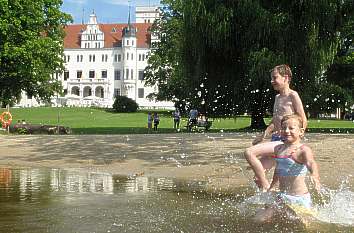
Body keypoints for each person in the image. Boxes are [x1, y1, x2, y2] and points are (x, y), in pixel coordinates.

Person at [246, 114, 321, 223]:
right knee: (259, 219)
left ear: (301, 131)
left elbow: (311, 162)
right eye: (284, 128)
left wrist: (315, 175)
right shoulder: (278, 149)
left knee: (303, 224)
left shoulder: (303, 150)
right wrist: (272, 185)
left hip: (299, 199)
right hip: (282, 196)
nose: (286, 131)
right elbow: (279, 169)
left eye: (291, 128)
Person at [248, 64, 308, 190]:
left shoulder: (293, 95)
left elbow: (303, 119)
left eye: (275, 78)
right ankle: (270, 197)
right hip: (275, 139)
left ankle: (268, 189)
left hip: (284, 142)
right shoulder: (277, 97)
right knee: (257, 178)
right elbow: (275, 121)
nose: (272, 81)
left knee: (249, 153)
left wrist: (297, 138)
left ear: (285, 78)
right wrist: (263, 135)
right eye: (271, 78)